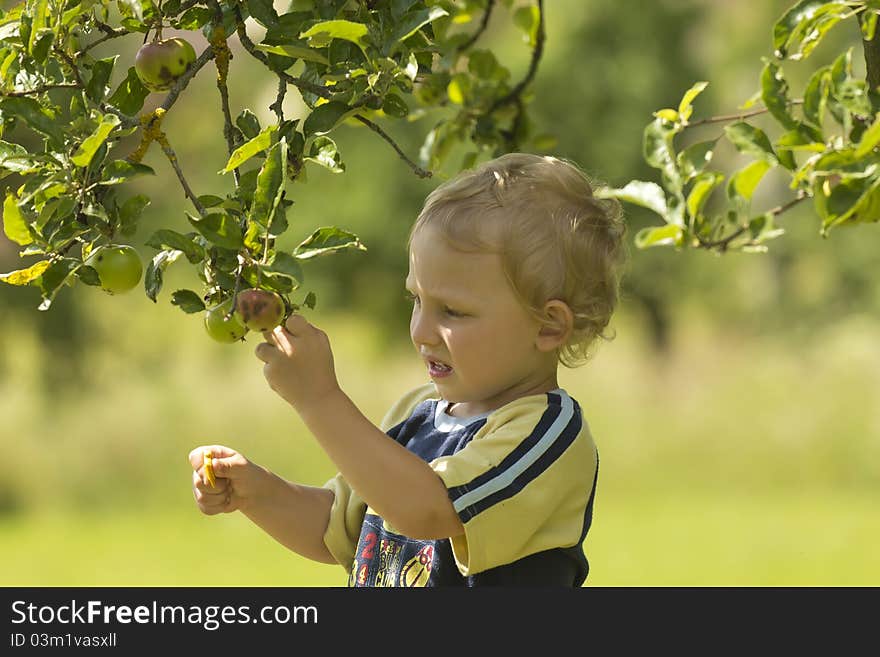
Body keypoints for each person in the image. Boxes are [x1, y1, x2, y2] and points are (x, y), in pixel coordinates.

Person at [189, 152, 628, 587]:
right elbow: (339, 528)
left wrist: (319, 399)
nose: (421, 330)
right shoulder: (417, 413)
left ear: (548, 325)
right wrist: (258, 491)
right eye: (417, 300)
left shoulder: (548, 431)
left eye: (453, 311)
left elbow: (429, 511)